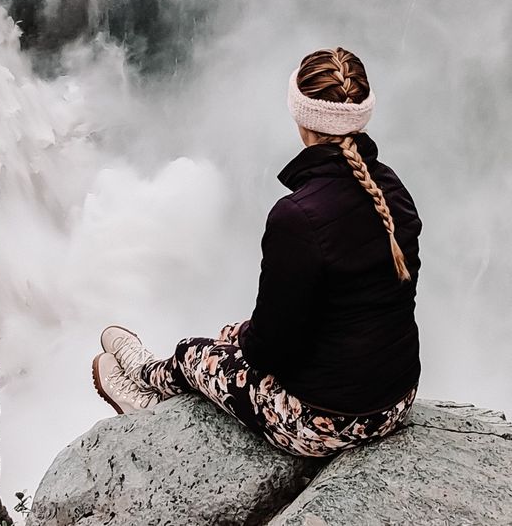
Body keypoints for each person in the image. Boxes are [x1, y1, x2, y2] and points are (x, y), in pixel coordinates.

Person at [92, 47, 421, 456]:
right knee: (231, 336)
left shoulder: (298, 216)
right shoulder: (392, 190)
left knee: (196, 353)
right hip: (396, 399)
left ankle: (145, 388)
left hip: (327, 421)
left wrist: (245, 341)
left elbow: (270, 350)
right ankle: (156, 379)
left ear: (301, 117)